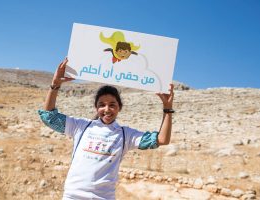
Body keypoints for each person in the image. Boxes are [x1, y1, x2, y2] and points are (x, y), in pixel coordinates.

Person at [38, 58, 175, 200]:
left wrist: (167, 109)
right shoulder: (81, 126)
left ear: (119, 107)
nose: (106, 109)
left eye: (112, 105)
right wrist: (54, 85)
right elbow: (49, 117)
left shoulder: (125, 135)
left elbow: (162, 139)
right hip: (73, 196)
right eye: (102, 104)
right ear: (96, 107)